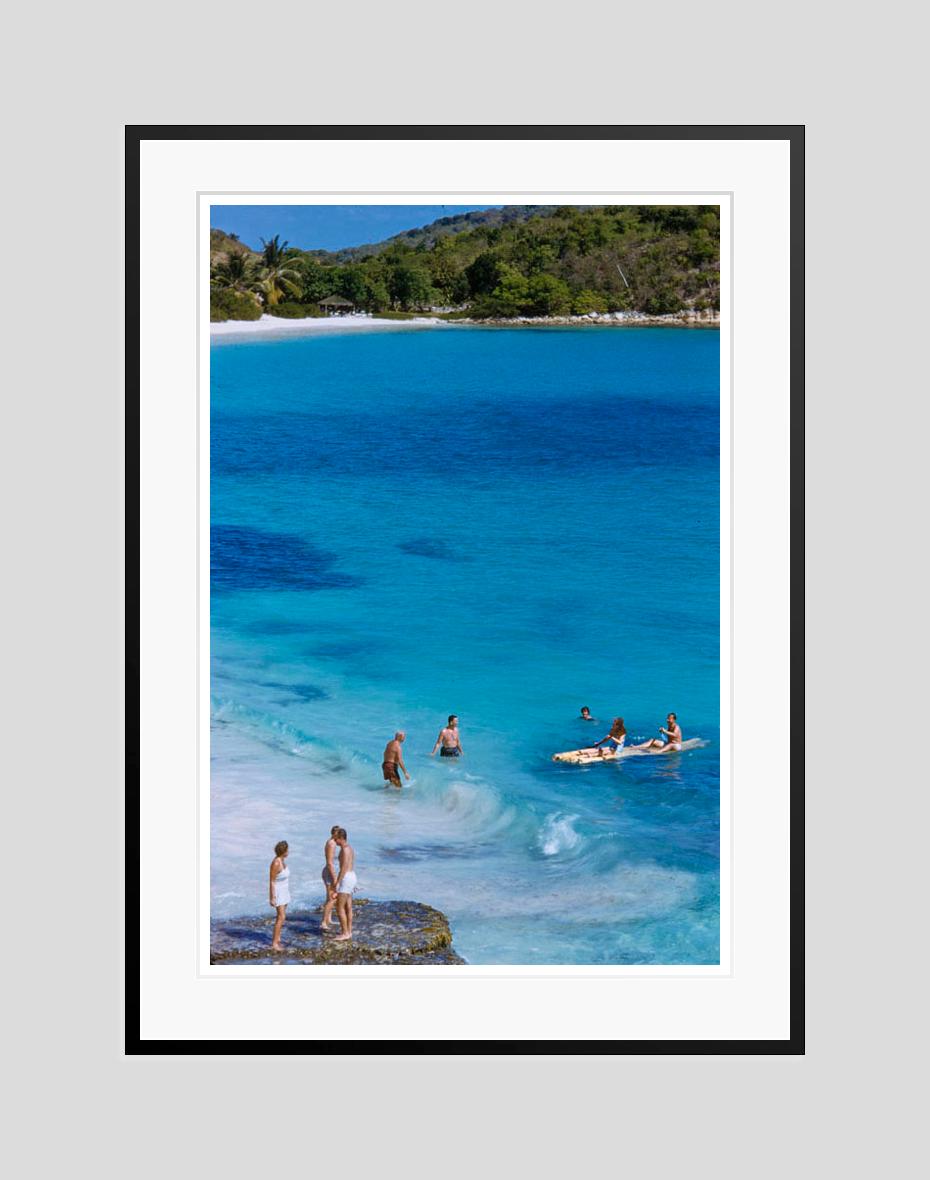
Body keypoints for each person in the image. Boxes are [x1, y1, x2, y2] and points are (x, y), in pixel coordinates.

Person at [332, 828, 357, 942]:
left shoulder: (344, 850)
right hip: (352, 876)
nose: (334, 841)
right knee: (348, 906)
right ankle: (349, 931)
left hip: (346, 878)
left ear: (341, 838)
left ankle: (345, 932)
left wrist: (337, 882)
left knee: (339, 907)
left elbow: (344, 868)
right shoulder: (350, 848)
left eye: (336, 839)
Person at [269, 840, 290, 951]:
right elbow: (272, 881)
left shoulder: (282, 860)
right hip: (278, 892)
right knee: (281, 917)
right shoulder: (276, 863)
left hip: (285, 891)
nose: (289, 851)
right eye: (287, 850)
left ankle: (278, 938)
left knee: (282, 917)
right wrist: (272, 897)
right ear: (284, 851)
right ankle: (274, 944)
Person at [320, 826, 341, 932]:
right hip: (330, 873)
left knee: (330, 897)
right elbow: (329, 863)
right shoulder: (331, 844)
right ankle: (324, 922)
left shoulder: (333, 842)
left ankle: (329, 919)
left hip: (332, 872)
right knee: (332, 898)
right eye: (338, 833)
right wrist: (335, 878)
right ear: (334, 833)